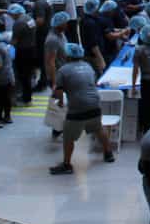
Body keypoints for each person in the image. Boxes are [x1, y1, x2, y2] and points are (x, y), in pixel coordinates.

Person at [48, 43, 115, 174]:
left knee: (68, 137)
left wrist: (61, 102)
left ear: (67, 56)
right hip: (95, 104)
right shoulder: (88, 66)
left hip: (78, 107)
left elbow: (58, 90)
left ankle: (67, 165)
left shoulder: (63, 70)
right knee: (98, 128)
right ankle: (108, 154)